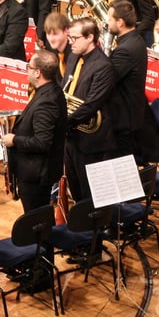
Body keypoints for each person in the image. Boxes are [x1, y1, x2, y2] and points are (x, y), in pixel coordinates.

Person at [1, 49, 67, 212]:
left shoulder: (47, 101)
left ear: (38, 72)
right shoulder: (51, 91)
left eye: (29, 66)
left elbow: (42, 142)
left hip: (36, 173)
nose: (27, 70)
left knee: (35, 218)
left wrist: (14, 139)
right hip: (36, 170)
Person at [62, 17, 116, 202]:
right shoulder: (74, 57)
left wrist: (61, 122)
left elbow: (91, 105)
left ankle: (94, 230)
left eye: (75, 38)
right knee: (75, 187)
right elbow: (66, 90)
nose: (71, 43)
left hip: (91, 141)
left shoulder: (104, 66)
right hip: (71, 136)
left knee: (90, 193)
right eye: (70, 38)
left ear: (90, 37)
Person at [105, 0, 146, 158]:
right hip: (129, 116)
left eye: (110, 19)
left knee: (120, 168)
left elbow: (107, 79)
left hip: (123, 119)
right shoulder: (134, 39)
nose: (107, 22)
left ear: (120, 22)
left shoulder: (126, 50)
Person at [43, 12, 72, 82]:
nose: (51, 39)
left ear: (66, 31)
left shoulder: (75, 51)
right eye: (48, 34)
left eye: (55, 34)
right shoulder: (49, 48)